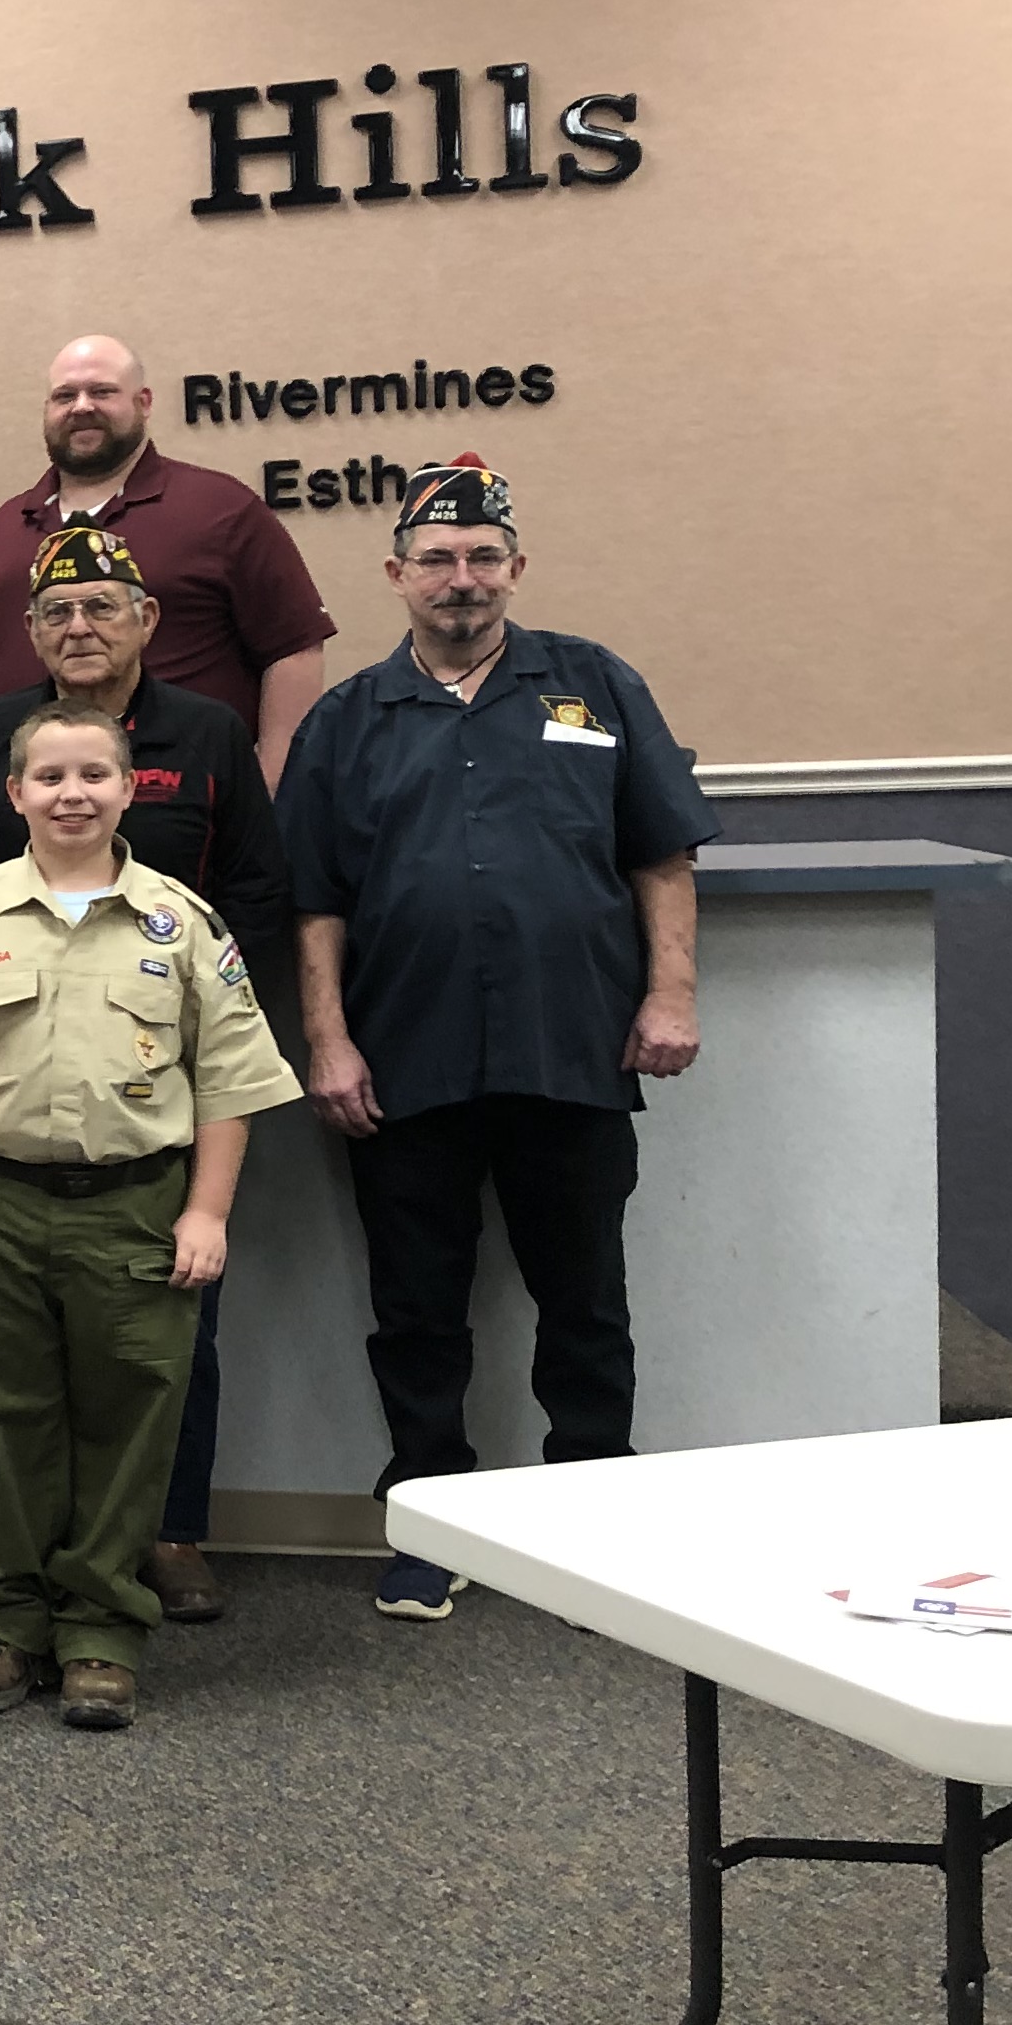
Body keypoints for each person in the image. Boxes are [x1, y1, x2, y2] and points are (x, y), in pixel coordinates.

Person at [280, 456, 714, 1619]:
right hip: (402, 1058)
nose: (460, 579)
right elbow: (314, 902)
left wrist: (671, 996)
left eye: (481, 559)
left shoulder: (594, 686)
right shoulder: (347, 718)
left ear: (515, 567)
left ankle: (595, 1527)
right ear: (396, 576)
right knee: (417, 1311)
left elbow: (659, 856)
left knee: (585, 1301)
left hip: (572, 1050)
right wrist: (328, 1041)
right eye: (436, 560)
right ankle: (432, 1524)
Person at [0, 702, 300, 1731]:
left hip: (135, 1211)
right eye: (51, 777)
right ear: (13, 793)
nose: (73, 794)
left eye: (94, 776)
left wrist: (207, 1213)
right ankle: (5, 1623)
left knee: (129, 1423)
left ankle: (103, 1632)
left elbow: (232, 1084)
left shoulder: (186, 925)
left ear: (128, 788)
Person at [0, 524, 291, 1624]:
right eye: (58, 612)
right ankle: (31, 1580)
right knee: (12, 1385)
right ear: (30, 631)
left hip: (153, 1112)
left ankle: (164, 1536)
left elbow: (257, 895)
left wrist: (190, 1040)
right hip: (10, 1120)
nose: (80, 627)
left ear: (145, 621)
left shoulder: (212, 734)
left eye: (103, 607)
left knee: (166, 1356)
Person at [0, 336, 336, 783]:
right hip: (26, 802)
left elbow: (293, 648)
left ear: (144, 401)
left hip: (183, 798)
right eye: (64, 395)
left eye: (101, 392)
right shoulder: (4, 527)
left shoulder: (221, 509)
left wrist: (273, 781)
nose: (81, 407)